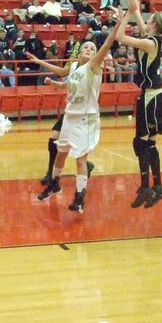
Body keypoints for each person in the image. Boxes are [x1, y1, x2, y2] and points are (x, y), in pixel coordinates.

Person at [34, 12, 124, 213]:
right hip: (70, 116)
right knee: (60, 154)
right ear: (80, 51)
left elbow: (107, 43)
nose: (90, 49)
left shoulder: (94, 66)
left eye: (93, 48)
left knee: (81, 159)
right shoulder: (75, 66)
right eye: (86, 47)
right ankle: (54, 184)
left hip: (86, 119)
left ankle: (80, 196)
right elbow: (67, 85)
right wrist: (52, 83)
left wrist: (117, 26)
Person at [111, 0, 162, 208]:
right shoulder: (151, 38)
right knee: (148, 143)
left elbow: (120, 37)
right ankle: (157, 186)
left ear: (155, 25)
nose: (144, 21)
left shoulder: (149, 42)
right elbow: (137, 9)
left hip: (152, 97)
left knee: (142, 143)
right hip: (153, 96)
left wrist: (123, 17)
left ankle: (147, 187)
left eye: (149, 20)